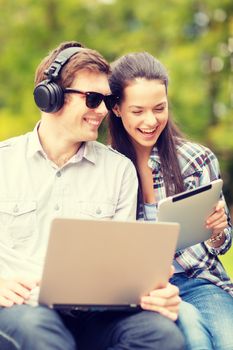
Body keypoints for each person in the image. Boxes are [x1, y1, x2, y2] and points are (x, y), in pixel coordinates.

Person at [0, 41, 185, 350]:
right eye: (92, 99)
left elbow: (121, 267)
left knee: (160, 335)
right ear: (51, 98)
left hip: (94, 313)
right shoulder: (4, 162)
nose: (102, 110)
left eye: (106, 99)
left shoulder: (119, 171)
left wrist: (152, 289)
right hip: (22, 310)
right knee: (40, 332)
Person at [108, 51, 233, 350]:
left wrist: (218, 229)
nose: (151, 121)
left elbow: (224, 244)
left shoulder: (196, 160)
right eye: (138, 111)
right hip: (144, 290)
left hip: (200, 281)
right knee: (193, 334)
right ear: (116, 108)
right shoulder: (107, 168)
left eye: (159, 108)